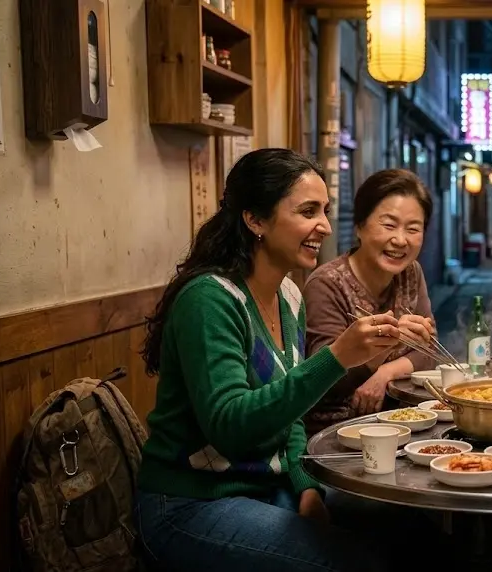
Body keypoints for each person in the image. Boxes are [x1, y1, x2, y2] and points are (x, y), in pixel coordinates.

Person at [134, 149, 433, 571]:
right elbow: (231, 427)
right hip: (191, 501)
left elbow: (293, 420)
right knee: (358, 563)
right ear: (255, 219)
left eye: (325, 211)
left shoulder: (289, 296)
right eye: (308, 211)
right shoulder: (210, 300)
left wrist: (306, 489)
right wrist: (337, 357)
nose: (325, 227)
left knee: (413, 526)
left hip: (268, 486)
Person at [303, 168, 436, 433]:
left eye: (413, 229)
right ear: (360, 226)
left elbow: (429, 350)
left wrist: (384, 374)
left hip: (402, 423)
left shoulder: (410, 273)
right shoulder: (327, 284)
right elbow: (323, 379)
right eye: (388, 225)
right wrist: (385, 347)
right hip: (337, 431)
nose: (400, 240)